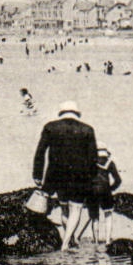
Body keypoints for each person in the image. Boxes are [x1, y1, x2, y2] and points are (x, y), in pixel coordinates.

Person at [32, 102, 98, 248]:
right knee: (76, 208)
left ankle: (70, 240)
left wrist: (37, 174)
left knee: (64, 208)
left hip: (56, 174)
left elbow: (40, 152)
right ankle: (66, 243)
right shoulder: (87, 129)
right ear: (76, 113)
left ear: (61, 113)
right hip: (79, 176)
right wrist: (93, 178)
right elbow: (93, 158)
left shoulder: (50, 127)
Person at [87, 146, 123, 242]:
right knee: (108, 215)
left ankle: (96, 241)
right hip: (106, 191)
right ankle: (107, 241)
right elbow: (118, 180)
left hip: (92, 192)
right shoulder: (109, 163)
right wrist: (110, 189)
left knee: (95, 218)